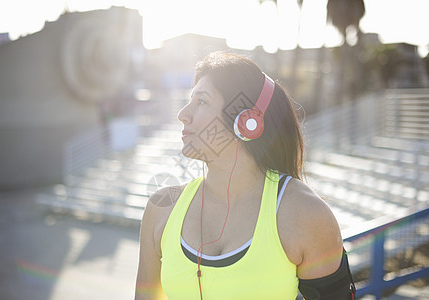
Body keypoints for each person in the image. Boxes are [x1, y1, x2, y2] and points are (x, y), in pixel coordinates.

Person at [135, 52, 356, 299]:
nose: (182, 114)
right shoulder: (162, 208)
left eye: (201, 101)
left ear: (247, 121)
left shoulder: (303, 214)